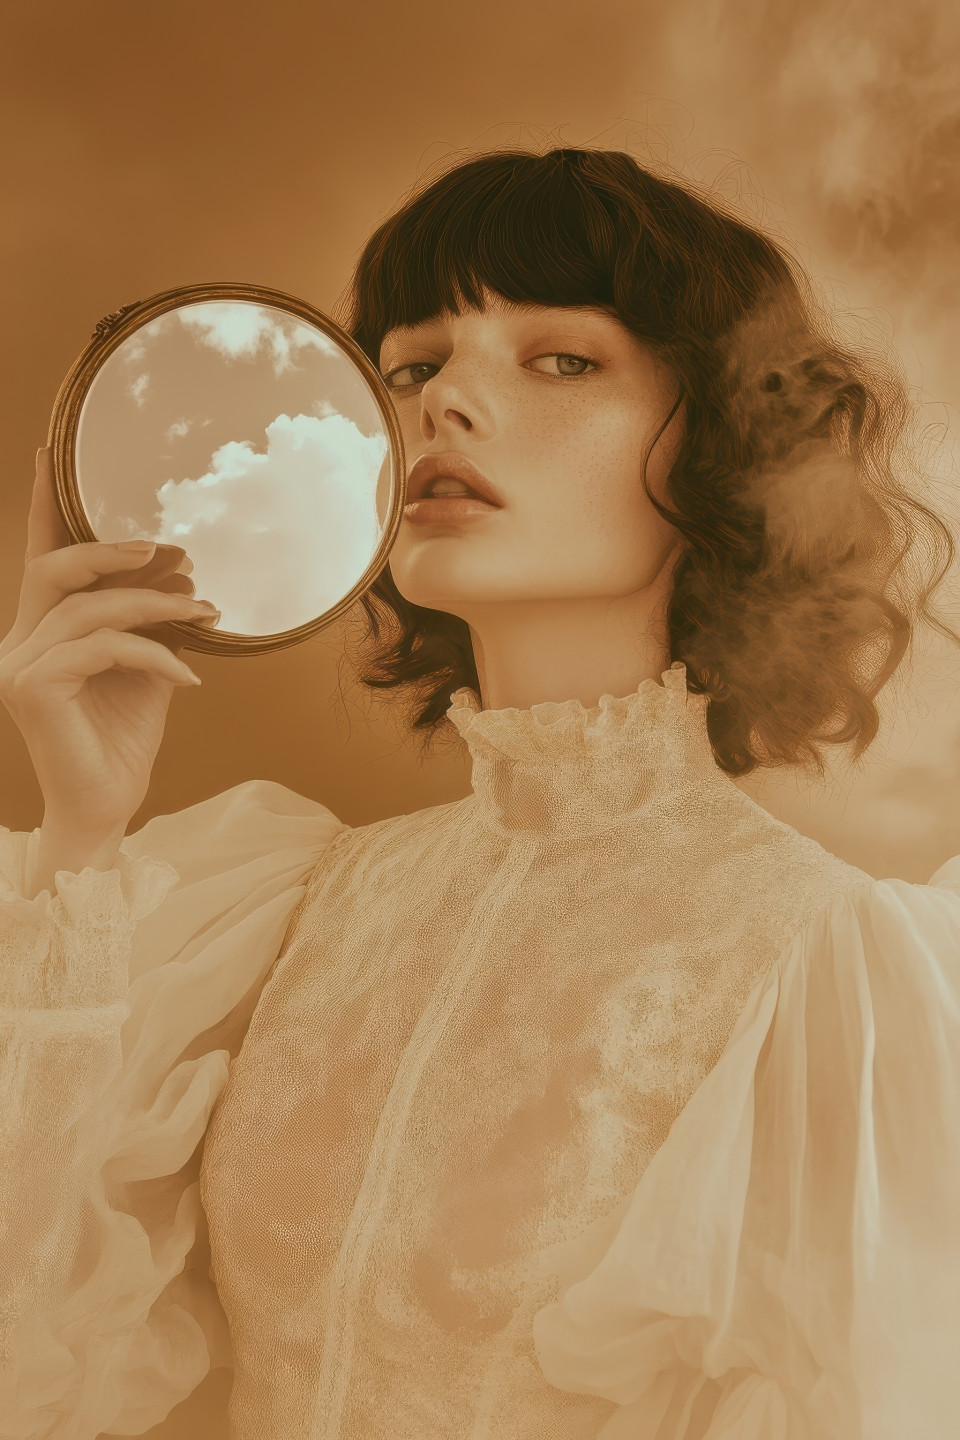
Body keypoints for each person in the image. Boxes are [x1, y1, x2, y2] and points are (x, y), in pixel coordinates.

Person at [2, 146, 959, 1440]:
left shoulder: (820, 968)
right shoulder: (291, 914)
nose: (444, 403)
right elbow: (43, 1358)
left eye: (561, 359)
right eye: (410, 365)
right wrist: (80, 830)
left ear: (730, 438)